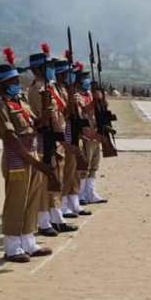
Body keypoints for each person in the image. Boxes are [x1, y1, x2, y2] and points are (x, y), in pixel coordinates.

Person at [0, 61, 55, 262]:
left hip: (32, 153)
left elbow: (35, 125)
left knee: (32, 200)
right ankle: (12, 247)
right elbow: (10, 137)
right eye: (13, 80)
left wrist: (46, 112)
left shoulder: (20, 100)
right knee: (16, 202)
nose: (17, 82)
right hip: (17, 158)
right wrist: (35, 163)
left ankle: (28, 241)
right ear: (1, 83)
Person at [27, 51, 78, 236]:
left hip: (57, 139)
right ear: (37, 69)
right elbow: (41, 121)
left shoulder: (52, 89)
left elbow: (61, 115)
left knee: (55, 182)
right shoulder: (36, 90)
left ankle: (56, 218)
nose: (52, 70)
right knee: (44, 185)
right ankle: (44, 222)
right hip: (44, 141)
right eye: (48, 67)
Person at [55, 59, 92, 218]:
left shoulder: (66, 89)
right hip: (66, 135)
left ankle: (73, 201)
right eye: (67, 73)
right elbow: (63, 114)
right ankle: (63, 205)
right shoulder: (58, 90)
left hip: (74, 133)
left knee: (75, 171)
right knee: (66, 172)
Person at [75, 69, 108, 205]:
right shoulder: (77, 96)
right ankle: (81, 193)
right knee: (84, 166)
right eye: (85, 78)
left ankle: (91, 192)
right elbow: (83, 111)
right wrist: (94, 101)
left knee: (94, 165)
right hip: (86, 135)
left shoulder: (90, 94)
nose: (87, 81)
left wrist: (102, 99)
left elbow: (102, 110)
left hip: (96, 133)